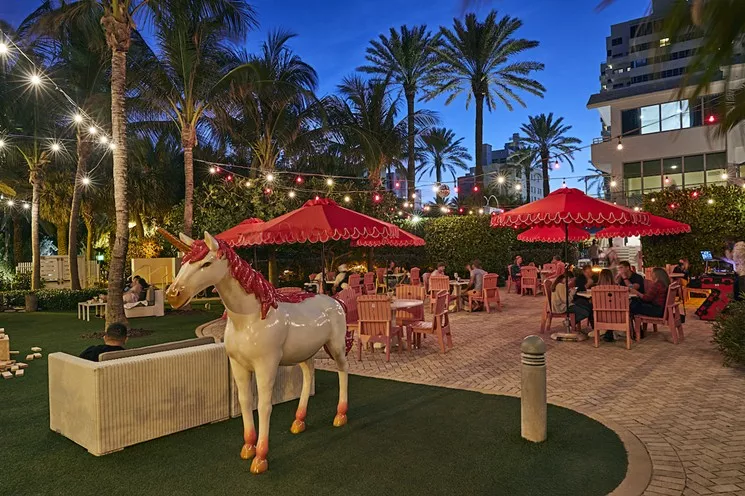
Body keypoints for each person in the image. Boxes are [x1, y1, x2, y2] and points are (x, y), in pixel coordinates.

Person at [628, 268, 671, 339]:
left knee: (631, 307)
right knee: (633, 304)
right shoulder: (664, 284)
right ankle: (636, 331)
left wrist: (637, 293)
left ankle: (634, 332)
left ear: (657, 275)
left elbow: (647, 298)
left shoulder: (657, 284)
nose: (651, 274)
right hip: (661, 309)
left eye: (652, 273)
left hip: (656, 310)